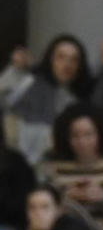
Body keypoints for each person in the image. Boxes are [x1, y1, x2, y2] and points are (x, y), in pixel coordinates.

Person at [1, 34, 94, 164]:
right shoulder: (30, 82)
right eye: (61, 57)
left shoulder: (83, 99)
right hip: (20, 161)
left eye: (74, 59)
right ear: (51, 59)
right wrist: (15, 70)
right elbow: (5, 101)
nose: (67, 64)